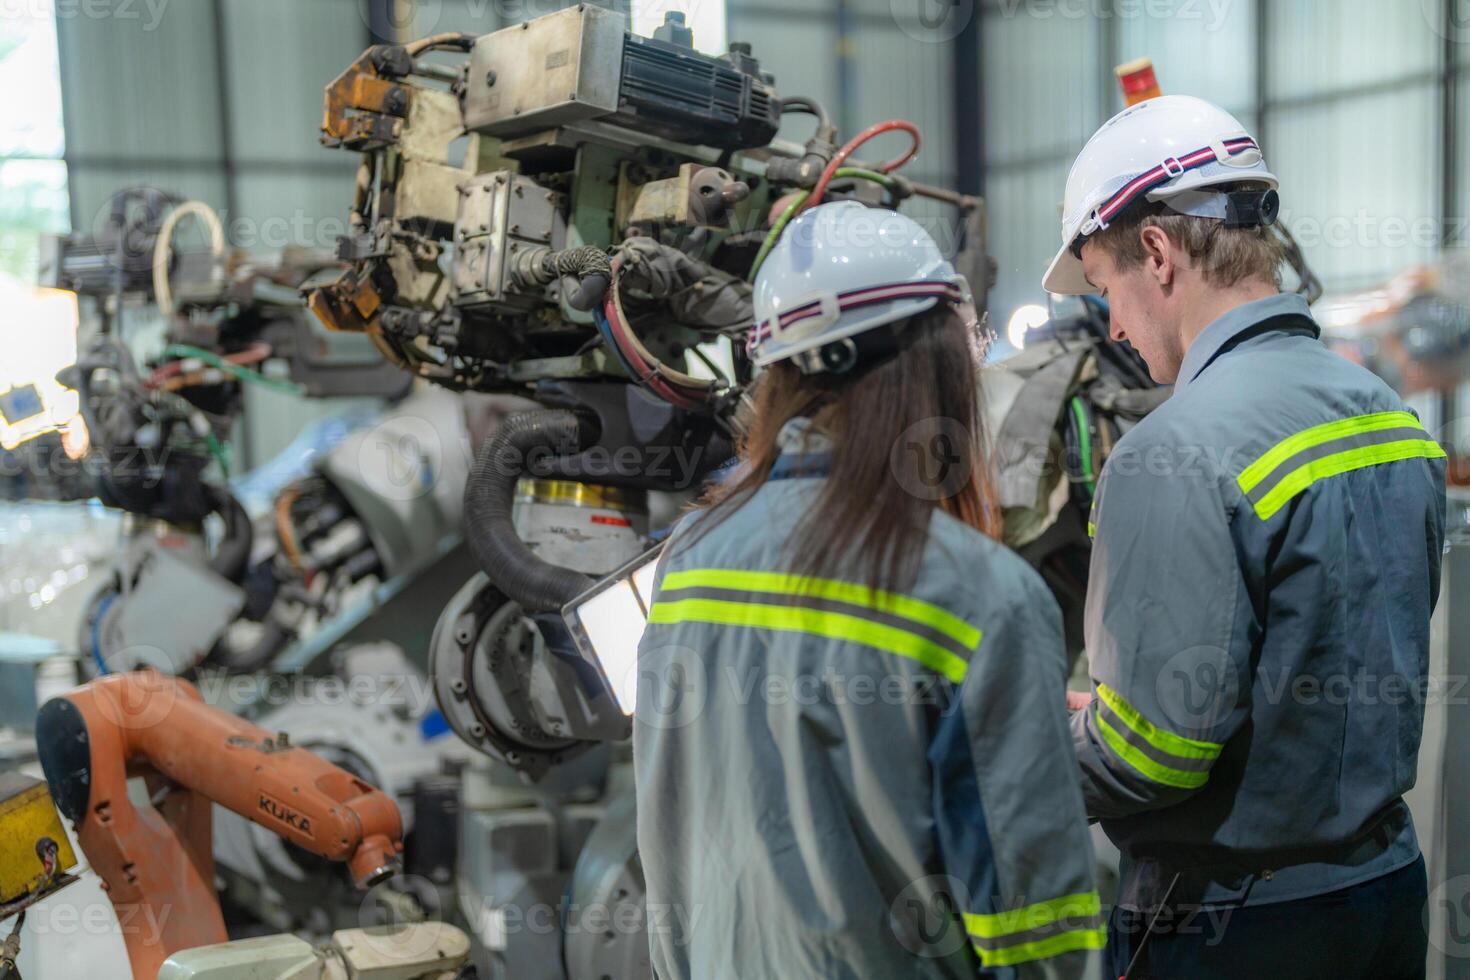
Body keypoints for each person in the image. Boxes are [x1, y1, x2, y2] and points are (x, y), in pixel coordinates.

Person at [634, 201, 1102, 979]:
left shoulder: (688, 557)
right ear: (940, 362)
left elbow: (669, 850)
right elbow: (1038, 935)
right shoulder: (981, 597)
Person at [1045, 94, 1448, 978]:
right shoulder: (1389, 418)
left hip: (1237, 925)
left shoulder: (1172, 453)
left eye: (1107, 287)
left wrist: (1009, 751)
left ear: (1155, 252)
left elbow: (1153, 756)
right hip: (1384, 893)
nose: (1111, 324)